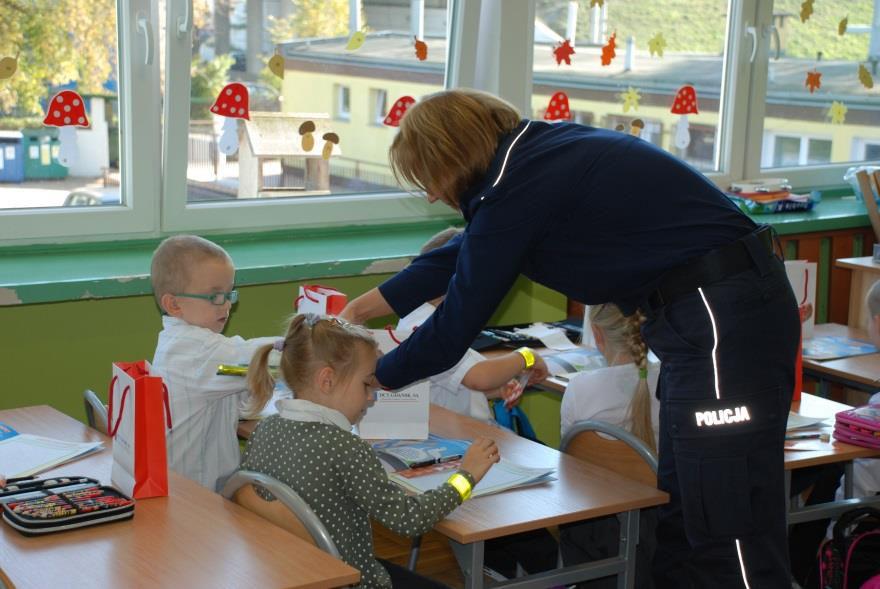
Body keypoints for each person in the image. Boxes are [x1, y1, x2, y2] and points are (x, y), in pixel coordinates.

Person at [341, 89, 800, 587]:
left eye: (429, 176)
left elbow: (455, 325)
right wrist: (358, 311)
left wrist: (371, 378)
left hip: (719, 317)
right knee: (685, 505)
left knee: (723, 519)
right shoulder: (528, 162)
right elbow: (455, 257)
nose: (431, 194)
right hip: (707, 318)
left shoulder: (520, 182)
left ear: (453, 154)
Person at [241, 313, 499, 589]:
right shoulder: (345, 448)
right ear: (326, 380)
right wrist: (466, 477)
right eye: (366, 384)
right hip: (351, 579)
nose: (371, 396)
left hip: (292, 573)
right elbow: (411, 520)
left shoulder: (264, 430)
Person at [150, 235, 277, 492]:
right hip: (195, 496)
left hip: (192, 488)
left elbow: (235, 381)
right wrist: (310, 339)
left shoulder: (187, 346)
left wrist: (252, 383)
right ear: (174, 304)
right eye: (215, 296)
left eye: (229, 293)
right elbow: (254, 355)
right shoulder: (196, 351)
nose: (227, 304)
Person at [393, 227, 550, 420]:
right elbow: (479, 377)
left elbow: (449, 382)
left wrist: (495, 390)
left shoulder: (421, 318)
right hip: (454, 438)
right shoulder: (428, 326)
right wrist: (527, 355)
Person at [558, 302, 660, 588]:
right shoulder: (675, 382)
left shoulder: (580, 388)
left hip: (597, 527)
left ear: (596, 334)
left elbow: (570, 466)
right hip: (664, 526)